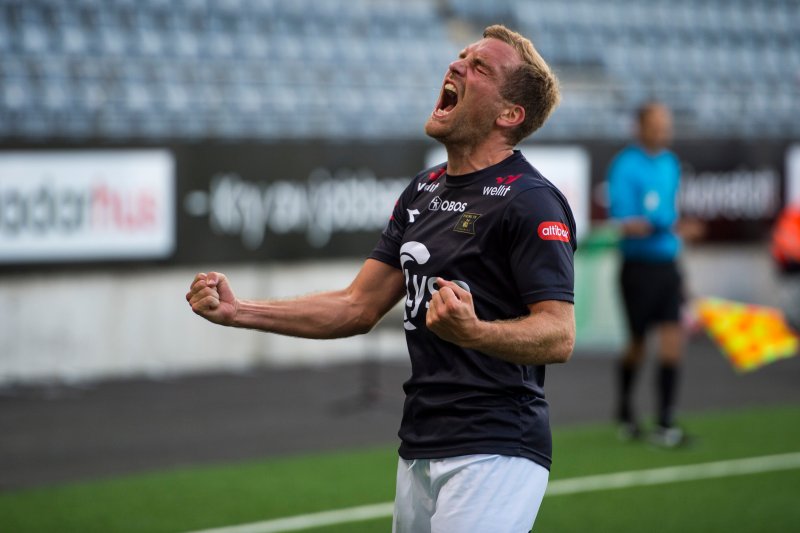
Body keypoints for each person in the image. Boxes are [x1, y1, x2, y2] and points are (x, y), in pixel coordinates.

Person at [187, 24, 575, 532]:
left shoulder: (531, 199)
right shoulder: (423, 190)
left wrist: (475, 332)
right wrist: (240, 312)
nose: (457, 66)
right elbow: (356, 306)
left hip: (497, 449)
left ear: (509, 115)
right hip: (419, 443)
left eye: (480, 67)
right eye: (462, 56)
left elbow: (559, 333)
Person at [607, 102, 702, 448]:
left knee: (674, 341)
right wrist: (671, 226)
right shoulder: (625, 166)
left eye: (667, 124)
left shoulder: (671, 164)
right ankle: (625, 410)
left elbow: (667, 217)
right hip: (638, 269)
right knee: (637, 345)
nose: (664, 130)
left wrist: (681, 266)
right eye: (657, 124)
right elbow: (626, 224)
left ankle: (665, 422)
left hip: (667, 268)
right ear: (640, 127)